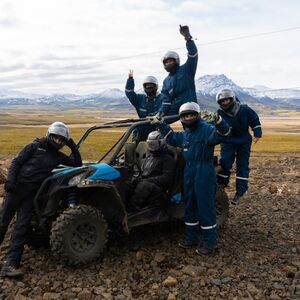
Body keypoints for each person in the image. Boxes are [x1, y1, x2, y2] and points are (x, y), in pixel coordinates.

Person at [0, 122, 82, 278]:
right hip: (16, 190)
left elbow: (76, 163)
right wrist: (10, 181)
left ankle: (11, 265)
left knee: (21, 228)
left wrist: (73, 147)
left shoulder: (58, 156)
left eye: (62, 140)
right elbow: (16, 162)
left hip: (31, 195)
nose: (58, 142)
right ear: (49, 135)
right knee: (2, 222)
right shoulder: (34, 146)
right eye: (56, 138)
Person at [153, 102, 231, 255]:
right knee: (189, 204)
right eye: (185, 116)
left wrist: (219, 121)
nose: (188, 118)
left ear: (197, 115)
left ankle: (210, 243)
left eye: (191, 115)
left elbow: (224, 134)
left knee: (205, 206)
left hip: (204, 171)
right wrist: (160, 124)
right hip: (189, 170)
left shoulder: (207, 129)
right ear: (182, 118)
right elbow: (172, 138)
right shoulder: (186, 133)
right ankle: (191, 238)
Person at [215, 89, 262, 205]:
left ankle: (240, 191)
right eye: (222, 101)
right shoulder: (219, 113)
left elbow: (254, 119)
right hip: (227, 141)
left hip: (243, 141)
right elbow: (212, 126)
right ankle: (221, 185)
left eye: (227, 100)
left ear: (232, 99)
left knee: (242, 165)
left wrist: (257, 133)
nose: (225, 103)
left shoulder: (244, 109)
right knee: (224, 163)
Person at [128, 131, 176, 211]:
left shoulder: (167, 159)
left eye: (155, 144)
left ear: (162, 143)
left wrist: (147, 180)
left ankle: (132, 210)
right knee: (126, 183)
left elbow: (167, 178)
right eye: (151, 144)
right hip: (146, 182)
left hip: (159, 188)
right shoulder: (149, 156)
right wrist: (136, 178)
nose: (153, 147)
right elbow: (143, 170)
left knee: (144, 185)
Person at [158, 25, 198, 117]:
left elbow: (193, 55)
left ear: (176, 61)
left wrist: (188, 39)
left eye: (170, 61)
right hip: (176, 108)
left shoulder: (187, 69)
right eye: (166, 62)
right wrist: (161, 113)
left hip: (190, 107)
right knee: (158, 121)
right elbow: (166, 100)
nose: (168, 63)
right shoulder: (166, 81)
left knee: (191, 128)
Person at [125, 70, 164, 143]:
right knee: (136, 127)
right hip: (141, 130)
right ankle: (134, 146)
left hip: (158, 128)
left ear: (156, 87)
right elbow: (129, 94)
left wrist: (153, 116)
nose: (149, 88)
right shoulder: (140, 99)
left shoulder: (162, 98)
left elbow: (163, 110)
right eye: (147, 86)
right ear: (144, 87)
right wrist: (130, 80)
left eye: (151, 86)